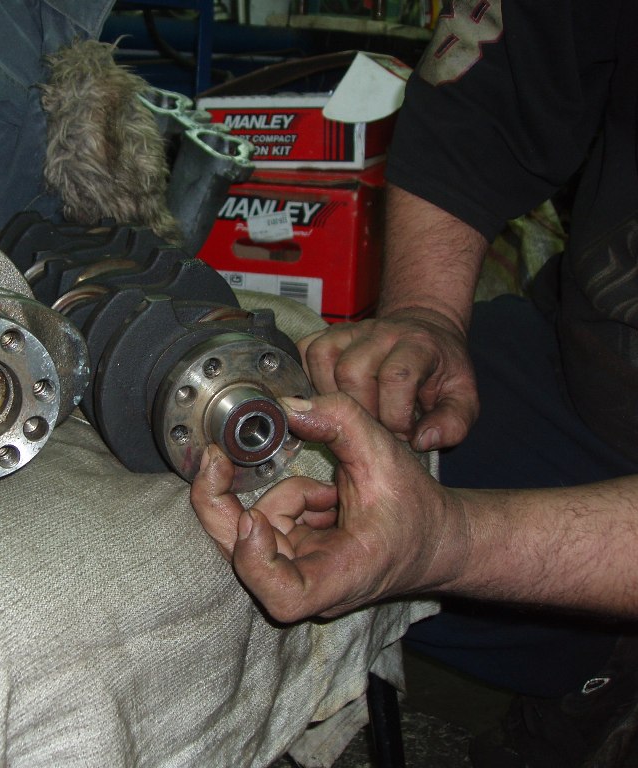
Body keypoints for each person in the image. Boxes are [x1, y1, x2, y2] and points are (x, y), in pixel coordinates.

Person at [193, 0, 638, 765]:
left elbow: (443, 540)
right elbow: (485, 104)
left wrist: (448, 540)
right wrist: (425, 315)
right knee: (256, 506)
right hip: (586, 376)